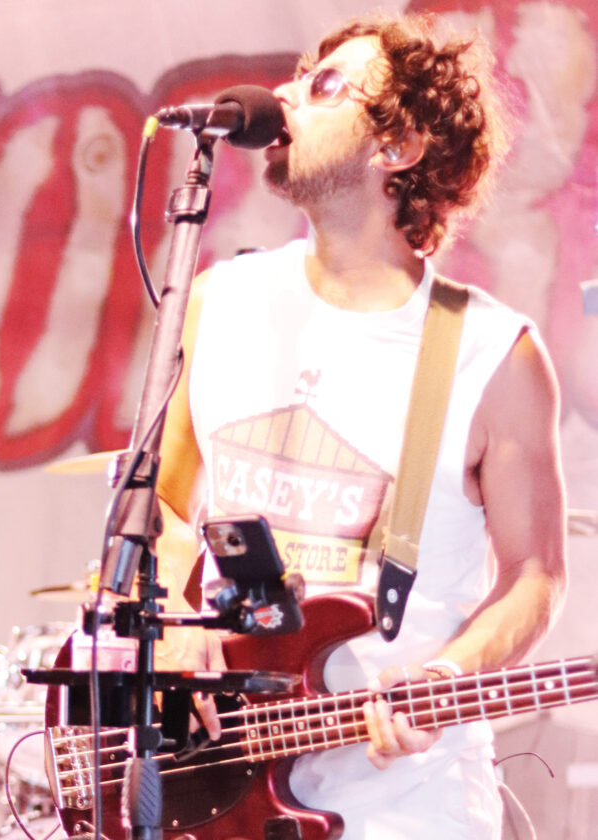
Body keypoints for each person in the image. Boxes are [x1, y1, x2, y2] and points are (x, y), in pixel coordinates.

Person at [154, 13, 567, 840]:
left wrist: (447, 676)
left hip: (408, 805)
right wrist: (170, 621)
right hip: (222, 786)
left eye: (325, 85)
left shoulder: (492, 353)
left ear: (399, 146)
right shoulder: (216, 302)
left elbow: (535, 574)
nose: (284, 93)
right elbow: (163, 505)